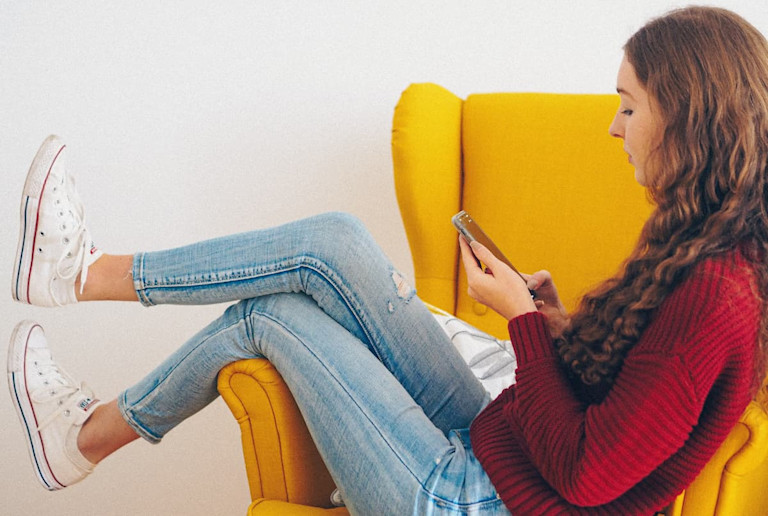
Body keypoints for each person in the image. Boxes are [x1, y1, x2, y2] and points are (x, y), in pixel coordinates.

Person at [7, 6, 768, 515]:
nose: (614, 126)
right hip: (500, 451)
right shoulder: (700, 246)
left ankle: (86, 434)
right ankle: (83, 277)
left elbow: (587, 473)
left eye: (630, 105)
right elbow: (629, 402)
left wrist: (520, 326)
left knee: (271, 317)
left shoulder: (717, 292)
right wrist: (554, 323)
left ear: (688, 115)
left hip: (469, 500)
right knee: (333, 240)